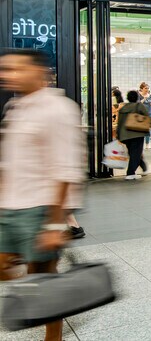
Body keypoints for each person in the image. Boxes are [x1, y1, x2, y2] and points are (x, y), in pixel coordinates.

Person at [0, 50, 86, 341]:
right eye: (6, 69)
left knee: (44, 280)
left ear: (41, 72)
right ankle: (31, 293)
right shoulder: (15, 107)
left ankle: (54, 336)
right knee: (9, 270)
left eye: (16, 69)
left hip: (39, 209)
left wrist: (54, 223)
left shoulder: (59, 108)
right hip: (10, 205)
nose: (8, 75)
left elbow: (67, 167)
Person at [115, 90, 150, 179]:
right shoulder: (139, 106)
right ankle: (130, 173)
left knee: (133, 153)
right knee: (136, 153)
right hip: (137, 133)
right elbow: (147, 118)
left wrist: (118, 135)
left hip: (125, 134)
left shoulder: (123, 108)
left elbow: (120, 122)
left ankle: (143, 167)